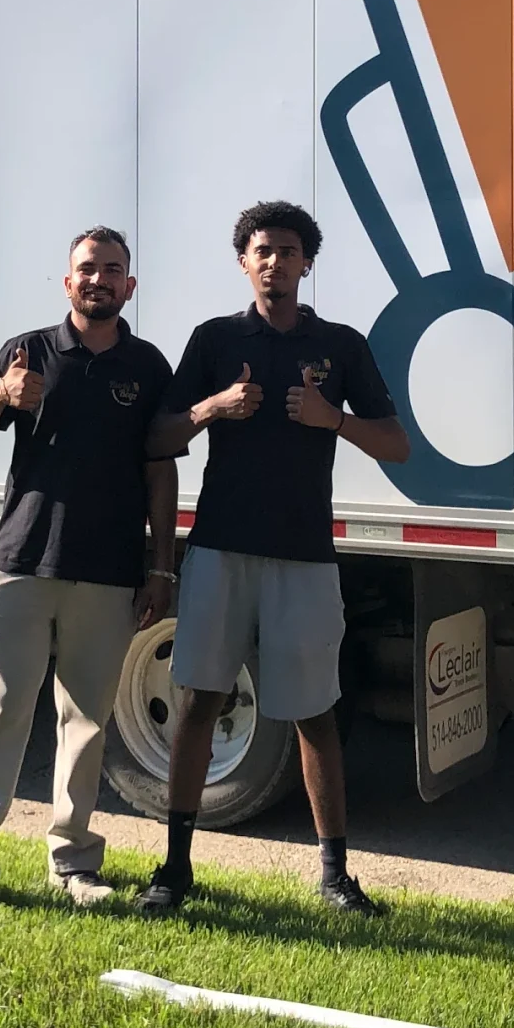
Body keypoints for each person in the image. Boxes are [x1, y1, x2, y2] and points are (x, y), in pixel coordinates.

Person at [139, 199, 411, 917]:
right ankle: (174, 869)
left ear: (305, 264)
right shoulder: (214, 340)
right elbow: (157, 437)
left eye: (288, 251)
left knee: (315, 713)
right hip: (220, 550)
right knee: (198, 700)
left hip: (304, 557)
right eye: (262, 250)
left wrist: (336, 421)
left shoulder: (341, 345)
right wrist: (210, 408)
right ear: (244, 262)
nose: (275, 261)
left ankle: (334, 877)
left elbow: (396, 443)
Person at [0, 226, 179, 916]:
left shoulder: (148, 365)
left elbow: (158, 475)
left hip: (107, 574)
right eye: (86, 269)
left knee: (86, 724)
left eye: (112, 270)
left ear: (129, 286)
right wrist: (2, 397)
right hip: (20, 562)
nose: (98, 279)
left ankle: (72, 862)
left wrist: (160, 570)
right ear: (67, 282)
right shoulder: (30, 351)